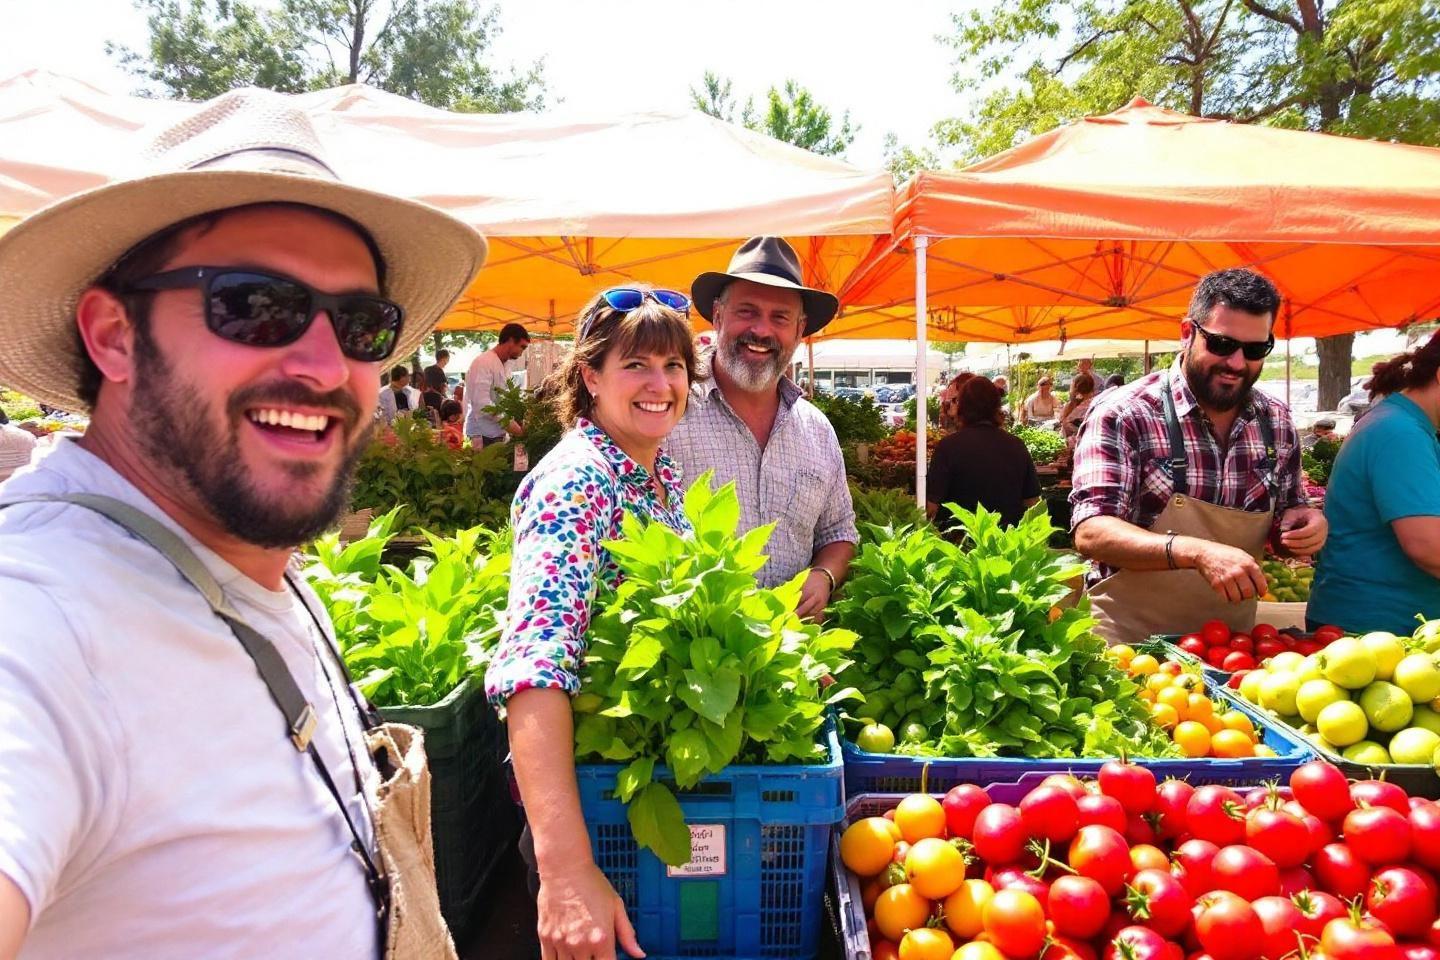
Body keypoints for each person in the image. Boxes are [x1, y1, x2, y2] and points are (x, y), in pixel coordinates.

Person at [0, 88, 487, 957]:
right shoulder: (46, 615)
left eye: (362, 323)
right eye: (256, 304)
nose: (323, 363)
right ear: (114, 335)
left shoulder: (244, 557)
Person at [486, 287, 698, 960]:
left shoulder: (652, 471)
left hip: (642, 799)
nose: (660, 384)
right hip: (593, 812)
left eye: (674, 365)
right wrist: (567, 873)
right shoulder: (577, 483)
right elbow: (533, 671)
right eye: (637, 365)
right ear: (590, 376)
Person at [1070, 268, 1327, 643]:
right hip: (1128, 646)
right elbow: (1092, 531)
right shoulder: (1125, 413)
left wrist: (1304, 525)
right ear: (1188, 333)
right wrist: (1194, 551)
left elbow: (1288, 513)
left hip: (1228, 646)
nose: (1237, 363)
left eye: (1255, 350)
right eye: (1222, 345)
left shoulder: (1275, 420)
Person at [665, 236, 858, 612]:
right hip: (690, 654)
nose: (762, 331)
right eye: (747, 312)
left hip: (793, 654)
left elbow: (839, 532)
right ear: (718, 317)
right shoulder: (669, 409)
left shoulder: (817, 431)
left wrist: (825, 575)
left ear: (800, 330)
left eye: (780, 318)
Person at [1308, 334, 1440, 634]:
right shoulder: (1401, 433)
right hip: (1375, 631)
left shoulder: (1407, 425)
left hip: (1382, 629)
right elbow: (1428, 546)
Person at [927, 377, 1040, 530]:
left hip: (958, 544)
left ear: (963, 407)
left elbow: (931, 507)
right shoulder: (1016, 445)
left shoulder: (948, 447)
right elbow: (1033, 504)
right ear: (996, 407)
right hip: (1008, 544)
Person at [464, 323, 529, 447]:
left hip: (497, 432)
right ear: (510, 341)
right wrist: (508, 423)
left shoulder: (506, 365)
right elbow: (482, 403)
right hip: (482, 434)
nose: (521, 353)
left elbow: (504, 400)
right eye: (522, 347)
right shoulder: (483, 362)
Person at [1059, 372, 1097, 440]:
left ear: (1075, 386)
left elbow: (1064, 424)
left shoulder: (1075, 406)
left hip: (1076, 443)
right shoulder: (1097, 403)